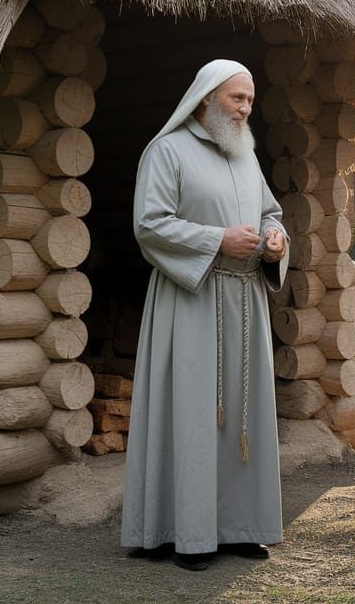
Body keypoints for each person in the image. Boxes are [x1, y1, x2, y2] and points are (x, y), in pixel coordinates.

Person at [121, 59, 290, 571]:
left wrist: (277, 242)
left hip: (244, 305)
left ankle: (240, 528)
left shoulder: (245, 156)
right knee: (192, 416)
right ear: (205, 98)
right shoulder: (166, 151)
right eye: (237, 99)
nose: (244, 110)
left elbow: (269, 214)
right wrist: (217, 239)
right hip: (190, 305)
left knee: (243, 418)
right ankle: (182, 535)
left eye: (249, 102)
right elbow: (149, 225)